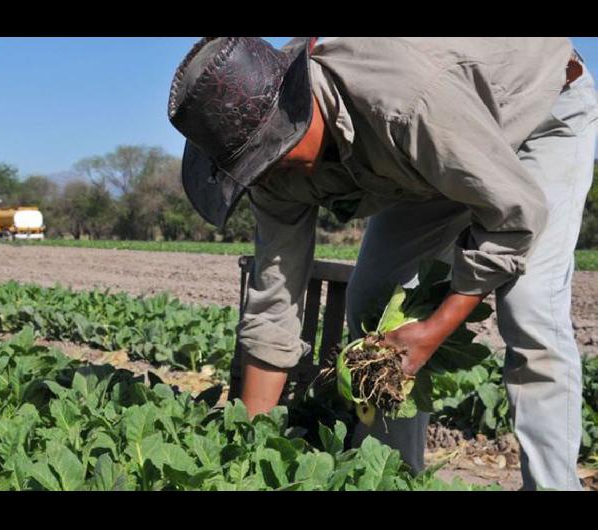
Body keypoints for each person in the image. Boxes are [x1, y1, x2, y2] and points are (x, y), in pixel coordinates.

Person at [168, 37, 597, 490]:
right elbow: (273, 305)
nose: (269, 174)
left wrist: (434, 330)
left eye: (270, 156)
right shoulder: (268, 173)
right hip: (430, 155)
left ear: (299, 108)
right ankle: (393, 478)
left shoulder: (405, 102)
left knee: (530, 308)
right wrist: (249, 458)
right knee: (375, 299)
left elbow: (513, 218)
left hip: (538, 113)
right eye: (253, 167)